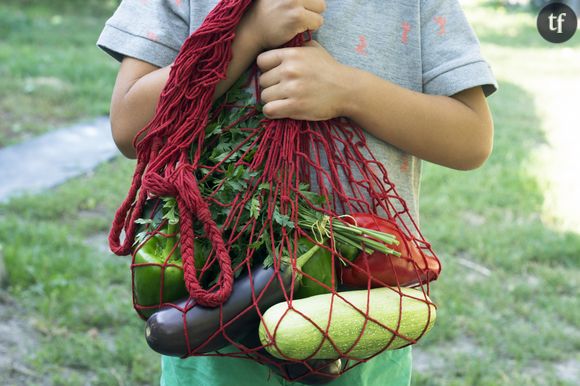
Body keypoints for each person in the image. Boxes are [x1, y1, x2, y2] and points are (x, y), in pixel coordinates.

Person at [98, 0, 497, 385]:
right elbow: (131, 128)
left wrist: (350, 92)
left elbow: (471, 137)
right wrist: (244, 35)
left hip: (362, 323)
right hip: (211, 326)